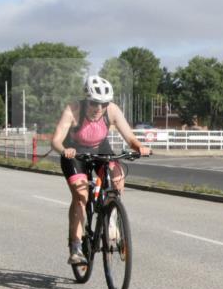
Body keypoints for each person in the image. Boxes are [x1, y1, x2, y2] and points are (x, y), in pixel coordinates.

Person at [50, 75, 151, 265]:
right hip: (75, 153)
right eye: (94, 103)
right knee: (81, 197)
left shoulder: (111, 110)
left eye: (103, 104)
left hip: (100, 148)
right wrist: (65, 150)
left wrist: (139, 147)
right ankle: (76, 246)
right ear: (87, 100)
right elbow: (55, 140)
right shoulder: (73, 109)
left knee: (118, 176)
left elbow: (129, 136)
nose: (99, 109)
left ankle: (112, 214)